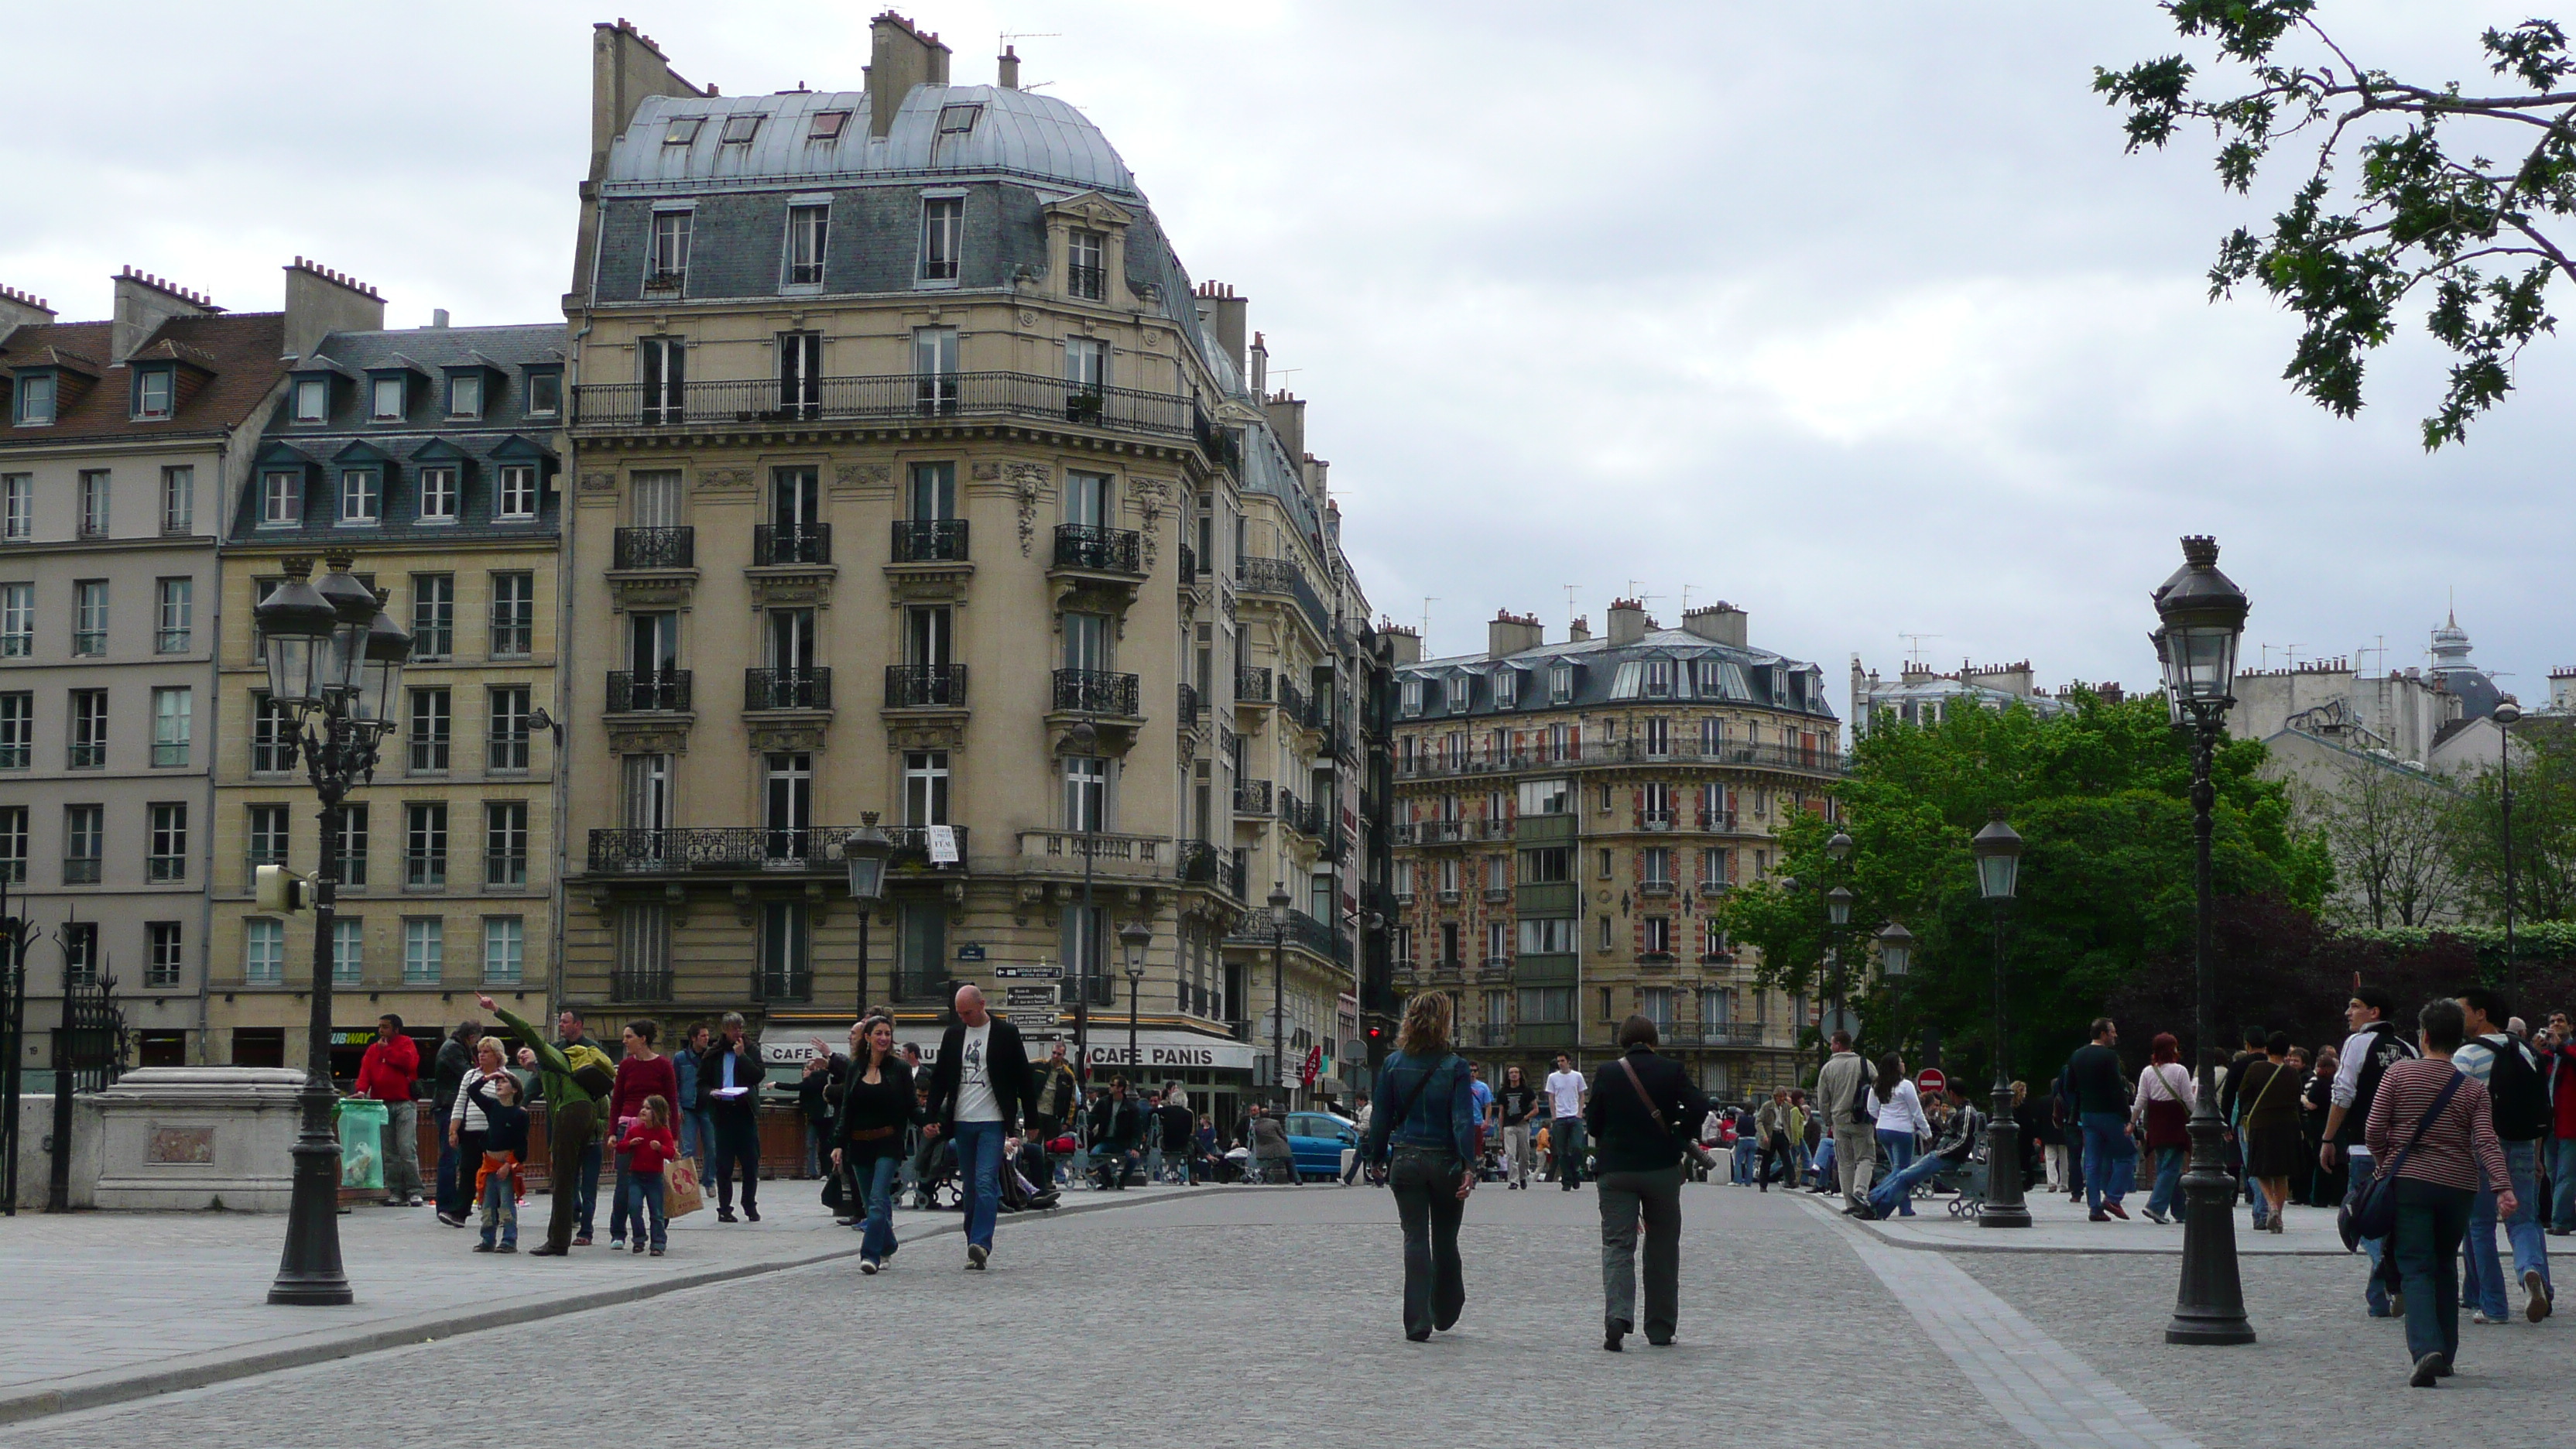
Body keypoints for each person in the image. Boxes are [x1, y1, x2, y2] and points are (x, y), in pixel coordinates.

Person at [2369, 998, 2515, 1386]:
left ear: (2425, 1035)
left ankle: (2425, 1350)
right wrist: (2502, 1187)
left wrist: (2387, 1162)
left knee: (2415, 1266)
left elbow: (2373, 1129)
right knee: (2446, 1264)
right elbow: (2486, 1140)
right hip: (2459, 1188)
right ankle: (2447, 1354)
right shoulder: (2471, 1089)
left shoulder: (2398, 1075)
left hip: (2412, 1183)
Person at [1586, 1014, 1711, 1350]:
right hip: (1661, 1170)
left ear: (1623, 1041)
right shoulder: (1672, 1070)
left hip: (1616, 1171)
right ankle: (1659, 1327)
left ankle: (1617, 1317)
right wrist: (1678, 1133)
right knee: (1662, 1246)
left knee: (1617, 1246)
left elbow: (1593, 1124)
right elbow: (1701, 1106)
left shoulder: (1608, 1072)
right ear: (1654, 1040)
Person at [1362, 992, 1480, 1342]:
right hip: (1444, 1160)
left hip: (1407, 1159)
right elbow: (1462, 1121)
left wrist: (1376, 1157)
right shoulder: (1455, 1066)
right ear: (1445, 1023)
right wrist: (1468, 1166)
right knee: (1445, 1237)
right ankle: (1445, 1308)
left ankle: (1417, 1321)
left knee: (1414, 1237)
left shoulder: (1393, 1064)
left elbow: (1381, 1117)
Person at [481, 995, 612, 1256]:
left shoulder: (551, 1053)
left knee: (563, 1179)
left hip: (571, 1112)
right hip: (584, 1112)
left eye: (526, 1051)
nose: (524, 1054)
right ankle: (560, 1238)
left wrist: (497, 1009)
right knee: (567, 1176)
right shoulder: (569, 1060)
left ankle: (558, 1242)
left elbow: (527, 1030)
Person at [2454, 987, 2554, 1323]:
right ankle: (2530, 1270)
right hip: (2524, 1143)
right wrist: (2538, 1154)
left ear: (2481, 1014)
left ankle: (2494, 1306)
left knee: (2480, 1224)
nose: (2458, 1017)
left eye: (2462, 1010)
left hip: (2482, 1146)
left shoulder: (2467, 1055)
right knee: (2523, 1219)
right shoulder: (2526, 1051)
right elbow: (2542, 1106)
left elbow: (2456, 1109)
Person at [922, 984, 1036, 1269]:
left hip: (993, 1121)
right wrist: (930, 1116)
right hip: (961, 1121)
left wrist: (1031, 1122)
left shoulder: (1006, 1034)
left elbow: (1024, 1077)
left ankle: (982, 1243)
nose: (963, 1018)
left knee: (986, 1181)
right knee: (971, 1186)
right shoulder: (953, 1035)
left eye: (968, 1012)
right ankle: (972, 1239)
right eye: (959, 1013)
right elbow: (939, 1078)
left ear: (982, 1004)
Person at [2324, 987, 2420, 1316]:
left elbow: (2344, 1092)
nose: (2348, 1013)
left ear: (2374, 1012)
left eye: (2355, 1006)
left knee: (2362, 1215)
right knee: (2397, 1219)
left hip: (2366, 1146)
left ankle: (2382, 1266)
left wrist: (2327, 1138)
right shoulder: (2410, 1049)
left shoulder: (2357, 1043)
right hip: (2407, 1150)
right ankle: (2384, 1296)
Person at [831, 1016, 916, 1272]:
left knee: (879, 1199)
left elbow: (912, 1105)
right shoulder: (856, 1068)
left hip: (888, 1142)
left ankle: (870, 1255)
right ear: (867, 1038)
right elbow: (846, 1108)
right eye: (878, 1033)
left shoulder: (899, 1069)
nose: (884, 1038)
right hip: (859, 1144)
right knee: (871, 1204)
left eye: (887, 1034)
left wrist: (930, 1122)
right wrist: (838, 1143)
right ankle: (888, 1245)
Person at [605, 1020, 677, 1251]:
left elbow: (672, 1103)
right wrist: (613, 1132)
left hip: (656, 1129)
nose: (624, 1041)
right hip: (628, 1126)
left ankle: (658, 1231)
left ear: (642, 1039)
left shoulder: (664, 1066)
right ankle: (618, 1232)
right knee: (624, 1182)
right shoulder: (626, 1066)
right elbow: (616, 1101)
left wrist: (673, 1135)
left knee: (657, 1181)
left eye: (629, 1037)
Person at [1867, 1087, 1984, 1218]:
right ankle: (1875, 1204)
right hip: (1942, 1155)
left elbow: (1962, 1141)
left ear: (1952, 1093)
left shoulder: (1966, 1112)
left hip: (1945, 1157)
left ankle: (1876, 1206)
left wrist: (1940, 1152)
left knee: (1904, 1176)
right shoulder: (1963, 1111)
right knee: (1903, 1176)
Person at [553, 1009, 616, 1242]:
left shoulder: (598, 1092)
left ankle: (586, 1231)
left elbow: (605, 1117)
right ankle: (571, 1219)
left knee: (588, 1188)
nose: (560, 1025)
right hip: (572, 1139)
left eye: (565, 1021)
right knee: (570, 1184)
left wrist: (591, 1127)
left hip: (591, 1142)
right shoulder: (558, 1050)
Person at [699, 1012, 768, 1223]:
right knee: (724, 1165)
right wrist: (710, 1092)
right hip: (723, 1113)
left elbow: (758, 1075)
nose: (737, 1032)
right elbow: (701, 1083)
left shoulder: (751, 1050)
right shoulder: (713, 1053)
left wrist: (742, 1056)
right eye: (733, 1029)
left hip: (744, 1111)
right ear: (725, 1030)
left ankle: (750, 1205)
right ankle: (724, 1208)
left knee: (750, 1163)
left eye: (740, 1028)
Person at [354, 1014, 423, 1209]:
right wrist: (361, 1090)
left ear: (396, 1030)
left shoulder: (405, 1043)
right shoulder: (373, 1050)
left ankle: (414, 1190)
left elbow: (409, 1064)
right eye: (380, 1027)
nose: (381, 1030)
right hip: (382, 1103)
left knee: (406, 1147)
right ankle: (396, 1191)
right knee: (390, 1151)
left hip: (405, 1102)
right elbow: (365, 1071)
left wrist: (387, 1052)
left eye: (385, 1027)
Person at [2237, 1033, 2302, 1235]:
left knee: (2260, 1170)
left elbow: (2243, 1094)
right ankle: (2279, 1216)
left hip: (2261, 1123)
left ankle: (2271, 1205)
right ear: (2286, 1052)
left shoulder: (2255, 1068)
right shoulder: (2292, 1073)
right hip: (2287, 1124)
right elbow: (2296, 1098)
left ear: (2266, 1049)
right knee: (2281, 1173)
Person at [2066, 1018, 2131, 1221]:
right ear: (2103, 1034)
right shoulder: (2109, 1057)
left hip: (2087, 1113)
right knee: (2127, 1155)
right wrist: (2127, 1115)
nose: (2115, 1035)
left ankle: (2094, 1207)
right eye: (2112, 1032)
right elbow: (2116, 1088)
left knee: (2092, 1162)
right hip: (2109, 1113)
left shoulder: (2077, 1055)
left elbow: (2069, 1086)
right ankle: (2113, 1197)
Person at [2132, 1033, 2194, 1224]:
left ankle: (2180, 1211)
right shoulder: (2180, 1071)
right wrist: (2199, 1117)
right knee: (2172, 1167)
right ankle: (2156, 1206)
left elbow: (2141, 1100)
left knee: (2165, 1166)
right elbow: (2188, 1099)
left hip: (2156, 1125)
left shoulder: (2148, 1072)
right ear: (2173, 1049)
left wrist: (2132, 1121)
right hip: (2176, 1123)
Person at [467, 1069, 529, 1253]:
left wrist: (509, 1164)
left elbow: (521, 1144)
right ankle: (487, 1239)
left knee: (506, 1204)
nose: (499, 1085)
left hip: (505, 1166)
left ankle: (509, 1240)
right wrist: (488, 1077)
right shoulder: (492, 1106)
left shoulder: (520, 1114)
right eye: (497, 1083)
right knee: (487, 1205)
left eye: (504, 1082)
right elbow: (472, 1091)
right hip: (489, 1163)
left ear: (515, 1090)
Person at [1815, 1031, 1879, 1212]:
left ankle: (1850, 1202)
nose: (1829, 1046)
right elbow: (1879, 1089)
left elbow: (1823, 1099)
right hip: (1862, 1120)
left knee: (1845, 1162)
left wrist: (1828, 1120)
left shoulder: (1828, 1068)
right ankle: (1860, 1190)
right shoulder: (1865, 1064)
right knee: (1866, 1157)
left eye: (1831, 1043)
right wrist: (1875, 1115)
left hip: (1839, 1121)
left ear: (1838, 1045)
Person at [430, 1019, 483, 1225]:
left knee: (455, 1156)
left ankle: (456, 1203)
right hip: (449, 1106)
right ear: (472, 1036)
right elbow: (467, 1076)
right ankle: (446, 1204)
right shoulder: (454, 1049)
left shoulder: (454, 1046)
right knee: (450, 1156)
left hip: (447, 1104)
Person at [615, 1094, 679, 1256]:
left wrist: (659, 1148)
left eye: (648, 1108)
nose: (643, 1111)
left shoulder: (663, 1133)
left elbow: (671, 1153)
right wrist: (630, 1143)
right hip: (636, 1177)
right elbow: (621, 1148)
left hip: (654, 1178)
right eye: (643, 1107)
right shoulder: (635, 1130)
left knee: (657, 1212)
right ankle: (639, 1238)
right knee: (634, 1207)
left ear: (657, 1113)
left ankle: (658, 1243)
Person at [1872, 1055, 1925, 1215]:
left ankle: (1905, 1207)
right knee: (1902, 1171)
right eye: (1901, 1062)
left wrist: (1882, 1118)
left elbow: (1871, 1108)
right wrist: (1926, 1131)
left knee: (1897, 1168)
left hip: (1882, 1129)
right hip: (1902, 1131)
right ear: (1896, 1066)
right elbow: (1917, 1111)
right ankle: (1873, 1196)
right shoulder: (1906, 1085)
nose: (1904, 1064)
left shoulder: (1877, 1085)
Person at [2547, 1009, 2576, 1235]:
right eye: (2552, 1022)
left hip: (2570, 1123)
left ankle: (2560, 1222)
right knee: (2553, 1173)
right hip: (2550, 1123)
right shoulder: (2549, 1053)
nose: (2556, 1024)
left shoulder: (2570, 1050)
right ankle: (2567, 1216)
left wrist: (2560, 1048)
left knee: (2566, 1175)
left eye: (2561, 1020)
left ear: (2570, 1026)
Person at [1544, 1053, 1588, 1189]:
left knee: (1576, 1147)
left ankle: (1575, 1171)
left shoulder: (1577, 1076)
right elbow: (1551, 1097)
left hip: (1574, 1116)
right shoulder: (1553, 1077)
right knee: (1562, 1151)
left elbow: (1582, 1095)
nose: (1560, 1063)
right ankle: (1567, 1179)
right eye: (1558, 1061)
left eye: (1563, 1061)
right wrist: (1554, 1115)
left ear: (1569, 1062)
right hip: (1560, 1117)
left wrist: (1580, 1112)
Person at [1093, 1077, 1142, 1190]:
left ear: (1120, 1088)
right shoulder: (1103, 1102)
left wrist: (1135, 1147)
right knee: (1095, 1154)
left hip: (1123, 1142)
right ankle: (1108, 1180)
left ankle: (1122, 1181)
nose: (1109, 1087)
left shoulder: (1131, 1107)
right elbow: (1092, 1119)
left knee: (1133, 1158)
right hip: (1105, 1140)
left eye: (1112, 1085)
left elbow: (1137, 1129)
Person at [1497, 1066, 1541, 1189]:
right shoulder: (1503, 1092)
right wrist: (1500, 1130)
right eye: (1511, 1073)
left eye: (1516, 1072)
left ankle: (1522, 1175)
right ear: (1508, 1076)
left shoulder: (1527, 1091)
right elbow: (1501, 1112)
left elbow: (1536, 1109)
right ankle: (1513, 1180)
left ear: (1520, 1075)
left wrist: (1527, 1117)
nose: (1514, 1075)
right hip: (1509, 1125)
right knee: (1511, 1154)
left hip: (1523, 1125)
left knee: (1525, 1154)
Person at [670, 1022, 706, 1172]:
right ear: (694, 1038)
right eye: (703, 1036)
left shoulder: (710, 1056)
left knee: (711, 1146)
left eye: (707, 1036)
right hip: (688, 1106)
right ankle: (687, 1181)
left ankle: (709, 1179)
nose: (706, 1039)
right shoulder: (680, 1058)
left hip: (706, 1105)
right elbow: (674, 1085)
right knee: (688, 1147)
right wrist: (677, 1107)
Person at [1755, 1088, 1797, 1191]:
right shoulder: (1767, 1106)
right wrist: (1763, 1135)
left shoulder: (1786, 1107)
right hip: (1770, 1135)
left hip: (1782, 1133)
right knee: (1767, 1161)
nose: (1782, 1100)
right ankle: (1763, 1185)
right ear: (1775, 1097)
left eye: (1784, 1097)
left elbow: (1788, 1124)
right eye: (1780, 1097)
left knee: (1787, 1158)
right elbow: (1759, 1121)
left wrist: (1790, 1139)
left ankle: (1792, 1180)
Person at [1247, 1103, 1296, 1184]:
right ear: (1269, 1115)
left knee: (1266, 1163)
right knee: (1290, 1160)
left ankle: (1265, 1178)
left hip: (1262, 1151)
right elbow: (1283, 1136)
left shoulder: (1255, 1124)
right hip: (1277, 1149)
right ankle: (1297, 1179)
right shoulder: (1275, 1122)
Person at [1156, 1086, 1195, 1185]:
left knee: (1166, 1155)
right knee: (1192, 1147)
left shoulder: (1166, 1110)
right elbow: (1189, 1131)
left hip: (1167, 1143)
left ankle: (1168, 1175)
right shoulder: (1188, 1114)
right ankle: (1190, 1176)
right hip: (1182, 1144)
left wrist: (1163, 1120)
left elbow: (1152, 1113)